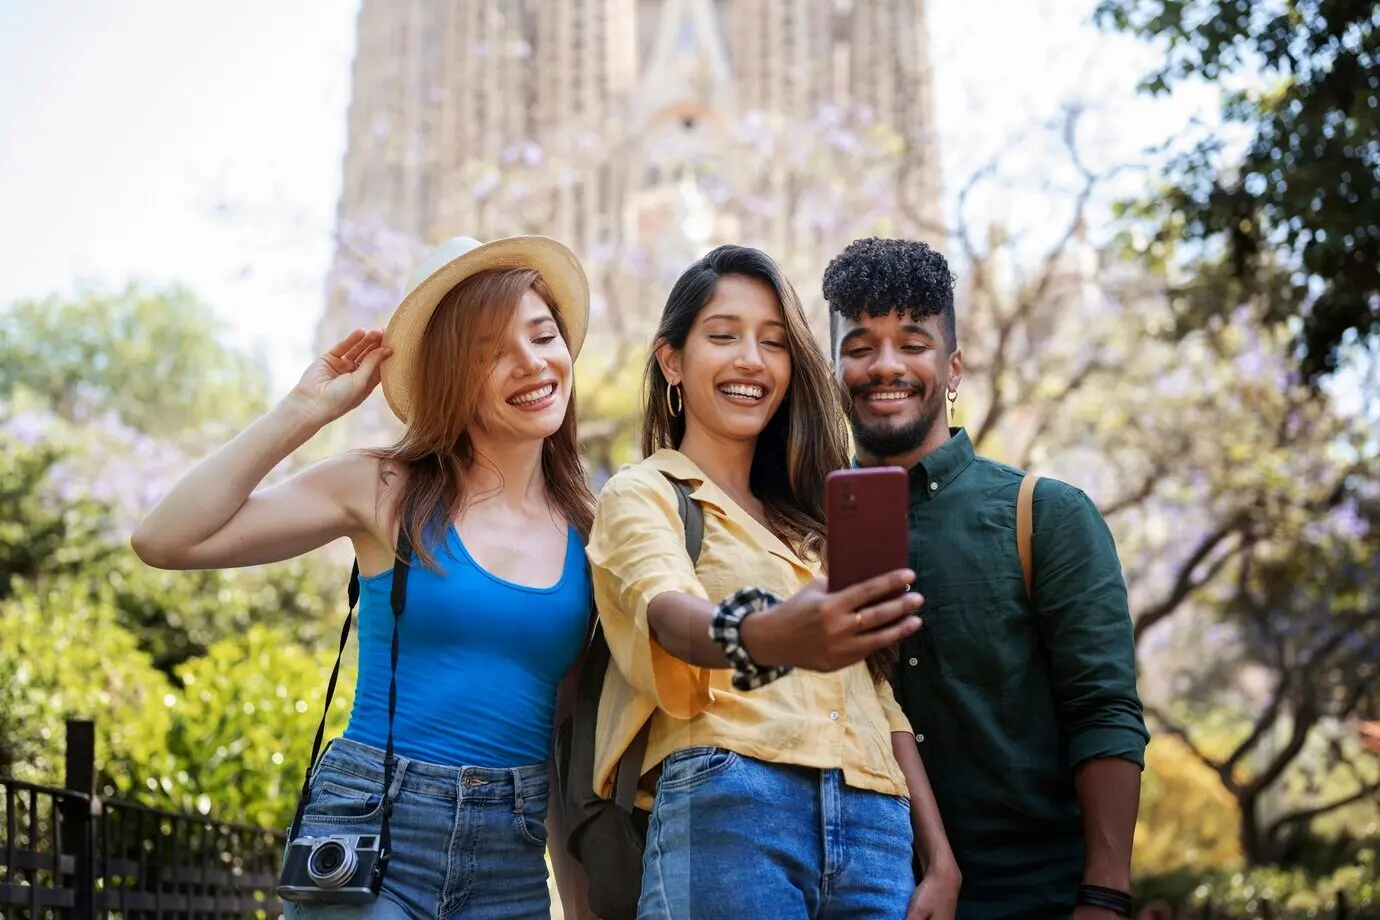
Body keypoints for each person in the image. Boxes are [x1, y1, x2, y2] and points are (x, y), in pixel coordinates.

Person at [132, 235, 598, 920]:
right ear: (450, 378)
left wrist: (582, 907)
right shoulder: (385, 487)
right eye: (490, 352)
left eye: (541, 335)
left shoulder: (589, 532)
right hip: (374, 829)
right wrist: (305, 409)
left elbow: (560, 744)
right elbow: (165, 538)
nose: (530, 364)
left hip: (511, 852)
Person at [586, 244, 962, 919]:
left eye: (774, 342)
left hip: (878, 829)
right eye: (723, 336)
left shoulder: (812, 519)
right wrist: (766, 634)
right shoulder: (647, 493)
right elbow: (668, 615)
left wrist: (939, 859)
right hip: (733, 801)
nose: (751, 361)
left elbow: (875, 694)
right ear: (672, 359)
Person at [822, 237, 1150, 920]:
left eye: (912, 343)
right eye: (859, 346)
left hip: (1037, 898)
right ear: (835, 370)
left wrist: (1105, 893)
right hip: (863, 896)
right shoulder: (802, 534)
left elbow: (1104, 708)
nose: (886, 365)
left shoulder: (1046, 515)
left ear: (953, 368)